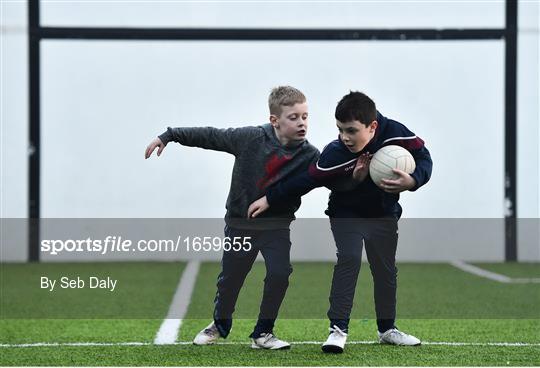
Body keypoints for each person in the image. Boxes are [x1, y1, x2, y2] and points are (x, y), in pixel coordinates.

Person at [248, 91, 432, 353]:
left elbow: (424, 158)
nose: (344, 137)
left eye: (351, 131)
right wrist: (270, 198)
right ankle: (338, 330)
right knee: (350, 260)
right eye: (340, 130)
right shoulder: (336, 153)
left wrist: (414, 181)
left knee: (385, 270)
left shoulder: (396, 134)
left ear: (373, 127)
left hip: (384, 214)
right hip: (346, 214)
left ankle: (387, 329)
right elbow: (306, 181)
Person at [145, 86, 319, 350]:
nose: (302, 123)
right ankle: (219, 325)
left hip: (277, 227)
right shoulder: (250, 138)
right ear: (275, 120)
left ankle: (263, 333)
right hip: (240, 225)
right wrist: (169, 136)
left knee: (280, 274)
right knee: (231, 279)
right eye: (293, 117)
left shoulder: (310, 155)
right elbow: (211, 136)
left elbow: (330, 176)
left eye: (305, 116)